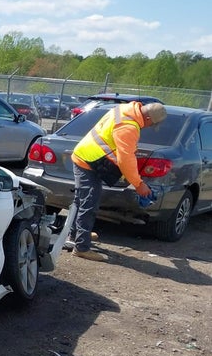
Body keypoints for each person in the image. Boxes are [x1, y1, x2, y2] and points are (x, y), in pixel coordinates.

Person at [67, 101, 167, 262]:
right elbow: (125, 159)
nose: (149, 127)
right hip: (88, 161)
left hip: (87, 156)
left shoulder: (125, 109)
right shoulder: (129, 127)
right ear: (147, 117)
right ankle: (81, 247)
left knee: (82, 200)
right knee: (89, 203)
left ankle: (77, 235)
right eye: (152, 123)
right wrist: (139, 184)